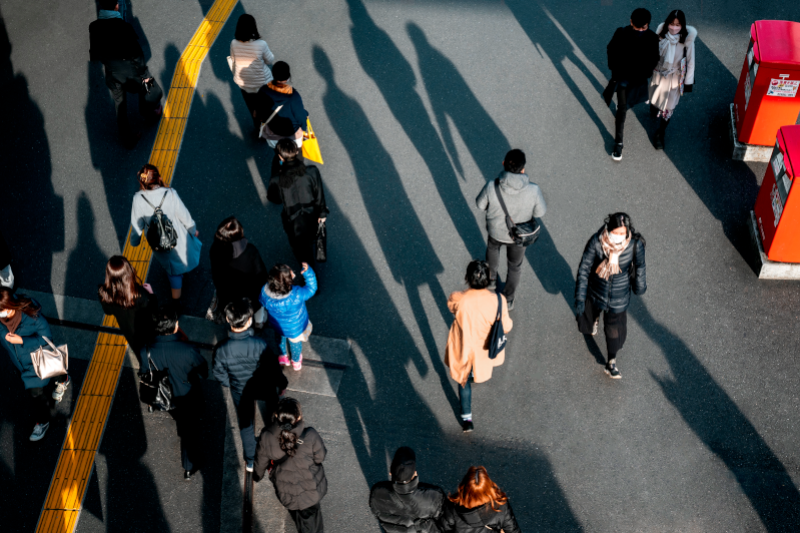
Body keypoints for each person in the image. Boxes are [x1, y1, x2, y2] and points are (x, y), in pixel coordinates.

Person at [212, 298, 288, 472]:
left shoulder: (221, 349)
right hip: (264, 385)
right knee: (273, 411)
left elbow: (219, 373)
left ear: (228, 320)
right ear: (249, 320)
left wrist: (230, 383)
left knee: (246, 424)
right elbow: (274, 368)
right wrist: (282, 383)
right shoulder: (260, 344)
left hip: (240, 390)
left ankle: (251, 461)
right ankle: (276, 448)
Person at [574, 213, 647, 379]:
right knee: (588, 317)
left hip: (618, 297)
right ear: (609, 230)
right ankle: (594, 320)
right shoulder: (597, 241)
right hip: (596, 290)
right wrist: (580, 297)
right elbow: (584, 268)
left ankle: (611, 361)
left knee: (614, 331)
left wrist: (640, 287)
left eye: (623, 233)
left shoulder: (634, 245)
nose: (619, 237)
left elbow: (641, 266)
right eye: (616, 233)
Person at [140, 304, 208, 479]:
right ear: (175, 325)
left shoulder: (146, 350)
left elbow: (145, 372)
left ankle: (188, 467)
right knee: (188, 431)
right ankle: (188, 465)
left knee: (184, 424)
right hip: (186, 394)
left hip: (163, 393)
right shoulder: (187, 350)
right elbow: (202, 368)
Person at [444, 261, 513, 432]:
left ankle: (467, 418)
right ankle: (475, 374)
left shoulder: (458, 298)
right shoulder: (498, 300)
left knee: (463, 379)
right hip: (483, 350)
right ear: (488, 279)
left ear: (468, 278)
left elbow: (452, 307)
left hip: (463, 348)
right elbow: (507, 326)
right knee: (476, 371)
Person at [475, 149, 546, 310]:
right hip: (519, 237)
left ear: (503, 164)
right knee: (515, 266)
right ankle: (508, 299)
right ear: (523, 169)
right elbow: (540, 212)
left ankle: (491, 279)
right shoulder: (533, 190)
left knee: (493, 248)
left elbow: (480, 205)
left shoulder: (492, 187)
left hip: (496, 231)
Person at [89, 0, 163, 149]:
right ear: (116, 5)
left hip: (113, 75)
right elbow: (138, 57)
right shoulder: (124, 27)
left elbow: (95, 55)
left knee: (120, 106)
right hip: (132, 74)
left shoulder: (94, 27)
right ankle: (148, 112)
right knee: (149, 88)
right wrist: (144, 74)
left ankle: (127, 138)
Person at [0, 288, 70, 441]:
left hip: (36, 361)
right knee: (53, 371)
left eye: (2, 312)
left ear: (10, 306)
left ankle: (43, 422)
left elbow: (46, 339)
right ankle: (63, 378)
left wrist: (22, 340)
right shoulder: (1, 321)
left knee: (37, 395)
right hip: (20, 364)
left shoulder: (32, 317)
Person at [254, 397, 327, 533]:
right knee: (312, 521)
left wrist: (257, 476)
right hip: (311, 489)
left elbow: (260, 461)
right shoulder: (310, 434)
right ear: (298, 417)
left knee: (299, 514)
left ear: (276, 416)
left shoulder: (267, 436)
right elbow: (320, 457)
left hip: (286, 491)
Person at [130, 164, 202, 301]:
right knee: (181, 257)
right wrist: (193, 230)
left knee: (173, 271)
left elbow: (136, 226)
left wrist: (135, 242)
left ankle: (176, 303)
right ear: (159, 178)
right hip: (177, 238)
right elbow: (185, 217)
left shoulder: (138, 199)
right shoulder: (170, 193)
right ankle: (183, 274)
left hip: (158, 242)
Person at [604, 7, 660, 161]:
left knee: (629, 102)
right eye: (637, 27)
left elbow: (654, 59)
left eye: (643, 28)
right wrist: (614, 69)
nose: (640, 30)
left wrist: (646, 72)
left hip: (637, 79)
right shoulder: (622, 33)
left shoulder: (652, 38)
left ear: (648, 24)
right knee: (622, 110)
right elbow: (611, 50)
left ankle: (634, 107)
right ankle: (619, 144)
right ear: (630, 22)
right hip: (623, 78)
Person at [267, 138, 329, 266]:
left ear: (280, 157)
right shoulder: (312, 171)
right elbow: (319, 194)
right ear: (296, 152)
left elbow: (275, 199)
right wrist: (322, 213)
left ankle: (308, 270)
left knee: (300, 249)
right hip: (313, 215)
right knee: (314, 235)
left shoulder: (277, 179)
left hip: (293, 220)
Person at [369, 446, 446, 533]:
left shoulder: (377, 492)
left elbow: (377, 514)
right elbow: (443, 520)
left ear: (390, 473)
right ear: (415, 473)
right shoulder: (434, 495)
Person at [648, 10, 696, 149]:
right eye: (671, 24)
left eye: (678, 25)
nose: (674, 28)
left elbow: (690, 62)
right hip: (659, 74)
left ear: (682, 25)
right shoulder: (661, 35)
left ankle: (660, 134)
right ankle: (654, 105)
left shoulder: (687, 41)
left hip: (674, 80)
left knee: (669, 108)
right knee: (656, 98)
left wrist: (688, 83)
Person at [209, 216, 269, 326]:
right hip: (250, 294)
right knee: (258, 307)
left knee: (236, 315)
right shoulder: (250, 250)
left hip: (228, 294)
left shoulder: (215, 250)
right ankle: (259, 323)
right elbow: (261, 274)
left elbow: (216, 276)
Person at [98, 255, 158, 362]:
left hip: (129, 333)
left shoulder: (105, 294)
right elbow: (154, 310)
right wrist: (151, 294)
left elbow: (107, 312)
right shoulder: (141, 294)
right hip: (147, 331)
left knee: (140, 354)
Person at [259, 263, 317, 371]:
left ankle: (283, 356)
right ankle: (296, 361)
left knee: (280, 339)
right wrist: (309, 273)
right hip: (295, 328)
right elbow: (311, 288)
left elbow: (261, 302)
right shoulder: (297, 293)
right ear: (289, 281)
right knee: (295, 344)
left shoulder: (265, 292)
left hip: (277, 325)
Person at [441, 466, 521, 533]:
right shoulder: (500, 505)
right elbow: (513, 531)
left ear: (464, 486)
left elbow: (443, 529)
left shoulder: (453, 506)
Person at [230, 14, 275, 132]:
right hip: (263, 84)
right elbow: (269, 60)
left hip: (244, 85)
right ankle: (267, 123)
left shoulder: (234, 43)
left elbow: (233, 60)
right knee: (266, 105)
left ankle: (258, 127)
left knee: (252, 106)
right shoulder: (261, 44)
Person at [257, 61, 309, 148]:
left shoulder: (263, 90)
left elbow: (259, 110)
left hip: (273, 136)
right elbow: (300, 117)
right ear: (288, 77)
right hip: (293, 136)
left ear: (273, 74)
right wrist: (304, 129)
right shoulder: (293, 96)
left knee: (278, 152)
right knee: (295, 153)